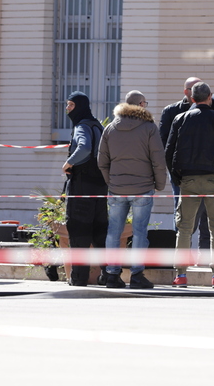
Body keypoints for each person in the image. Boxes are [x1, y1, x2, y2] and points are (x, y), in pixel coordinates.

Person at [165, 82, 214, 288]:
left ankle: (181, 275)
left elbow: (169, 152)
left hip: (189, 180)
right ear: (210, 97)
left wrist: (177, 178)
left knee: (185, 228)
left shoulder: (180, 119)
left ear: (191, 98)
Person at [97, 90, 166, 289]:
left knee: (113, 232)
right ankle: (137, 275)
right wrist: (159, 184)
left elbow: (102, 161)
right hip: (143, 189)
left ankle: (111, 275)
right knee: (139, 232)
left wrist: (112, 182)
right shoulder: (149, 128)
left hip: (117, 189)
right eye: (145, 102)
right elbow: (158, 160)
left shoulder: (110, 128)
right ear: (140, 105)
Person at [62, 91, 108, 286]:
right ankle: (109, 275)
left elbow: (84, 148)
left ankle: (79, 278)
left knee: (79, 231)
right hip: (100, 186)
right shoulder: (98, 125)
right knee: (100, 233)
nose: (67, 109)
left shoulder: (81, 126)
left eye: (70, 105)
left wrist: (68, 163)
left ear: (79, 106)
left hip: (82, 186)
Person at [159, 77, 209, 249]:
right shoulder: (172, 112)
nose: (195, 91)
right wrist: (173, 170)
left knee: (206, 213)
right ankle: (181, 251)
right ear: (185, 91)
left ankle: (204, 251)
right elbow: (164, 143)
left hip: (204, 170)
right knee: (181, 211)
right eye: (192, 88)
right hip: (180, 171)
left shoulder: (210, 111)